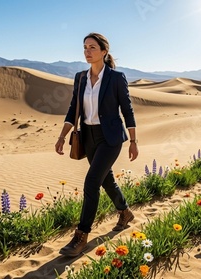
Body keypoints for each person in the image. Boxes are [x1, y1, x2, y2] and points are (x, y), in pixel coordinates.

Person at [55, 32, 139, 257]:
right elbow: (74, 109)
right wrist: (63, 136)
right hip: (88, 137)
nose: (87, 51)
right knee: (106, 179)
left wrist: (133, 141)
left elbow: (127, 110)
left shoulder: (116, 78)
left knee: (91, 182)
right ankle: (124, 212)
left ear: (104, 51)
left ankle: (81, 236)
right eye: (85, 47)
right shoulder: (80, 78)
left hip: (110, 138)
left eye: (92, 47)